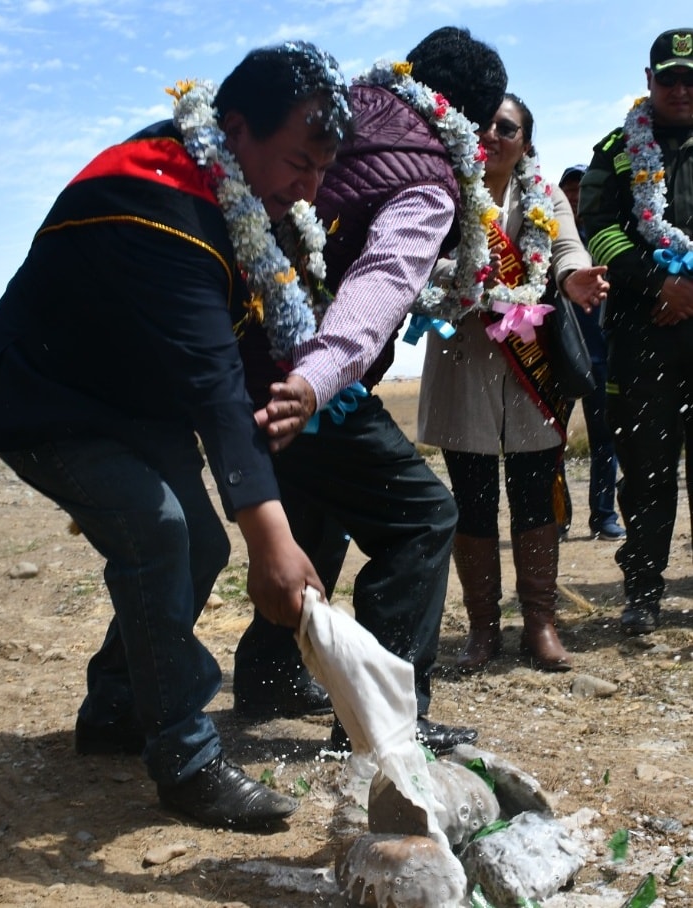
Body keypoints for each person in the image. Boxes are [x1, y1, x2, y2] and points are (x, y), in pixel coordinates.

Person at [0, 42, 353, 829]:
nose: (309, 190)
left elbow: (219, 374)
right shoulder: (155, 196)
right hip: (46, 400)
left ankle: (114, 709)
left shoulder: (235, 193)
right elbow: (212, 382)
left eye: (321, 170)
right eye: (298, 163)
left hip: (134, 402)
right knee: (160, 533)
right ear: (233, 130)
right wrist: (271, 540)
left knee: (199, 545)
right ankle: (186, 756)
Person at [232, 26, 508, 755]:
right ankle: (387, 715)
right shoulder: (428, 172)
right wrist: (317, 380)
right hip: (305, 376)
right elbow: (380, 283)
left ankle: (264, 674)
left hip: (234, 353)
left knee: (316, 510)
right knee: (422, 518)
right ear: (473, 128)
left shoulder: (338, 111)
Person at [417, 93, 609, 674]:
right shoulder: (443, 193)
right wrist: (472, 278)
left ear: (526, 141)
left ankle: (540, 624)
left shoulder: (546, 198)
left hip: (534, 372)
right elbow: (422, 260)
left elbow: (567, 248)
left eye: (507, 127)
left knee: (532, 496)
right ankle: (481, 630)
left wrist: (573, 277)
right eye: (485, 126)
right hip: (464, 366)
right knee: (473, 502)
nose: (494, 135)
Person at [580, 28, 693, 636]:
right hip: (642, 331)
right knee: (646, 468)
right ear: (649, 79)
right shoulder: (615, 149)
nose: (680, 88)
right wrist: (659, 286)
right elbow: (596, 225)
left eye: (690, 77)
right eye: (669, 76)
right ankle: (643, 591)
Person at [557, 165, 625, 542]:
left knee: (605, 442)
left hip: (602, 357)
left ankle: (603, 517)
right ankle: (557, 516)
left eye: (581, 190)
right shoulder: (550, 239)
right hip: (560, 358)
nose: (575, 197)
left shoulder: (607, 238)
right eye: (568, 190)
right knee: (553, 442)